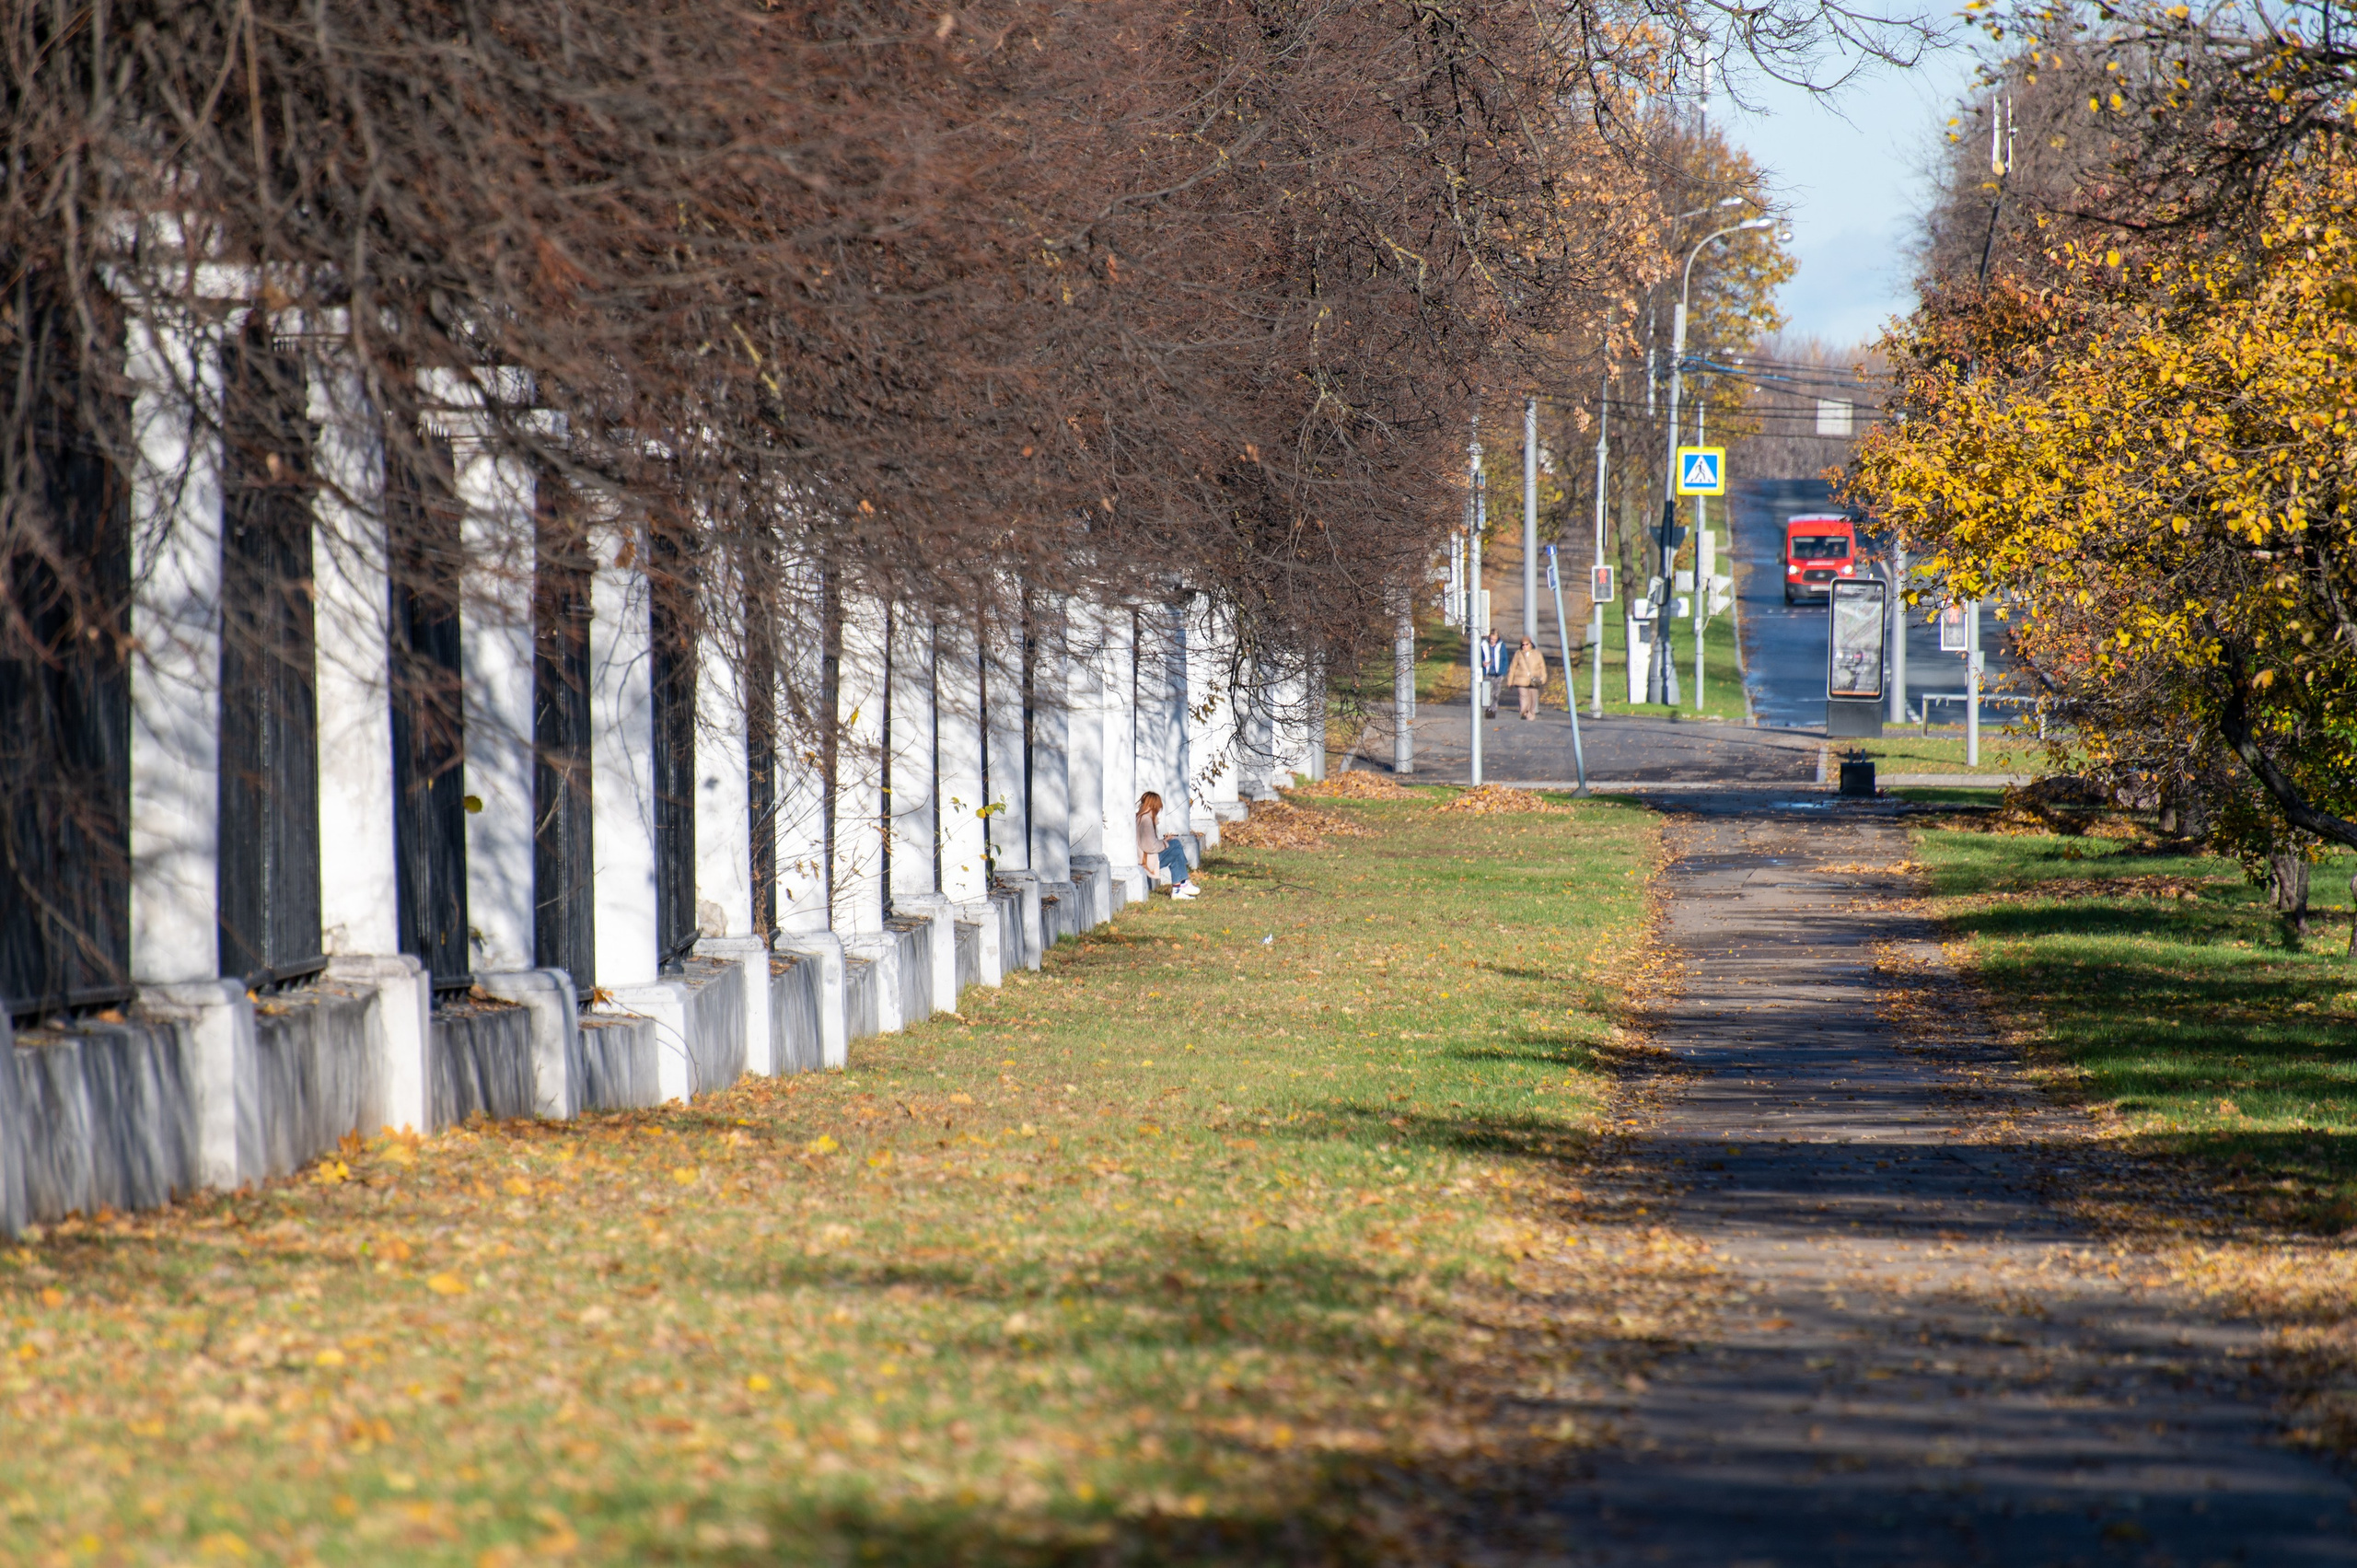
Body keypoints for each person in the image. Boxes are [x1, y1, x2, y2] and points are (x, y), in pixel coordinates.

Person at [1137, 791, 1199, 899]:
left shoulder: (1140, 817)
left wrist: (1164, 841)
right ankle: (1182, 884)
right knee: (1175, 845)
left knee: (1175, 850)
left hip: (1146, 857)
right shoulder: (1146, 820)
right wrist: (1165, 842)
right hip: (1147, 861)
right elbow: (1151, 847)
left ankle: (1179, 888)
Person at [1506, 635, 1546, 720]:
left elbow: (1542, 666)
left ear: (1530, 644)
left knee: (1533, 697)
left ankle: (1531, 714)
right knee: (1523, 696)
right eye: (1523, 645)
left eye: (1526, 644)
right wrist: (1510, 681)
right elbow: (1512, 668)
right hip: (1521, 679)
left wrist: (1543, 677)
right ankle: (1524, 712)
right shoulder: (1518, 654)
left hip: (1535, 678)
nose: (1524, 646)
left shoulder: (1537, 653)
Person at [1478, 630, 1507, 718]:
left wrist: (1503, 672)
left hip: (1498, 673)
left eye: (1494, 639)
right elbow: (1478, 657)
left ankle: (1493, 709)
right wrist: (1482, 663)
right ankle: (1488, 710)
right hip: (1488, 672)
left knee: (1496, 693)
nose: (1492, 641)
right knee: (1487, 692)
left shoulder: (1501, 646)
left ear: (1497, 638)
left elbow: (1505, 659)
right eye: (1491, 639)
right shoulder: (1483, 645)